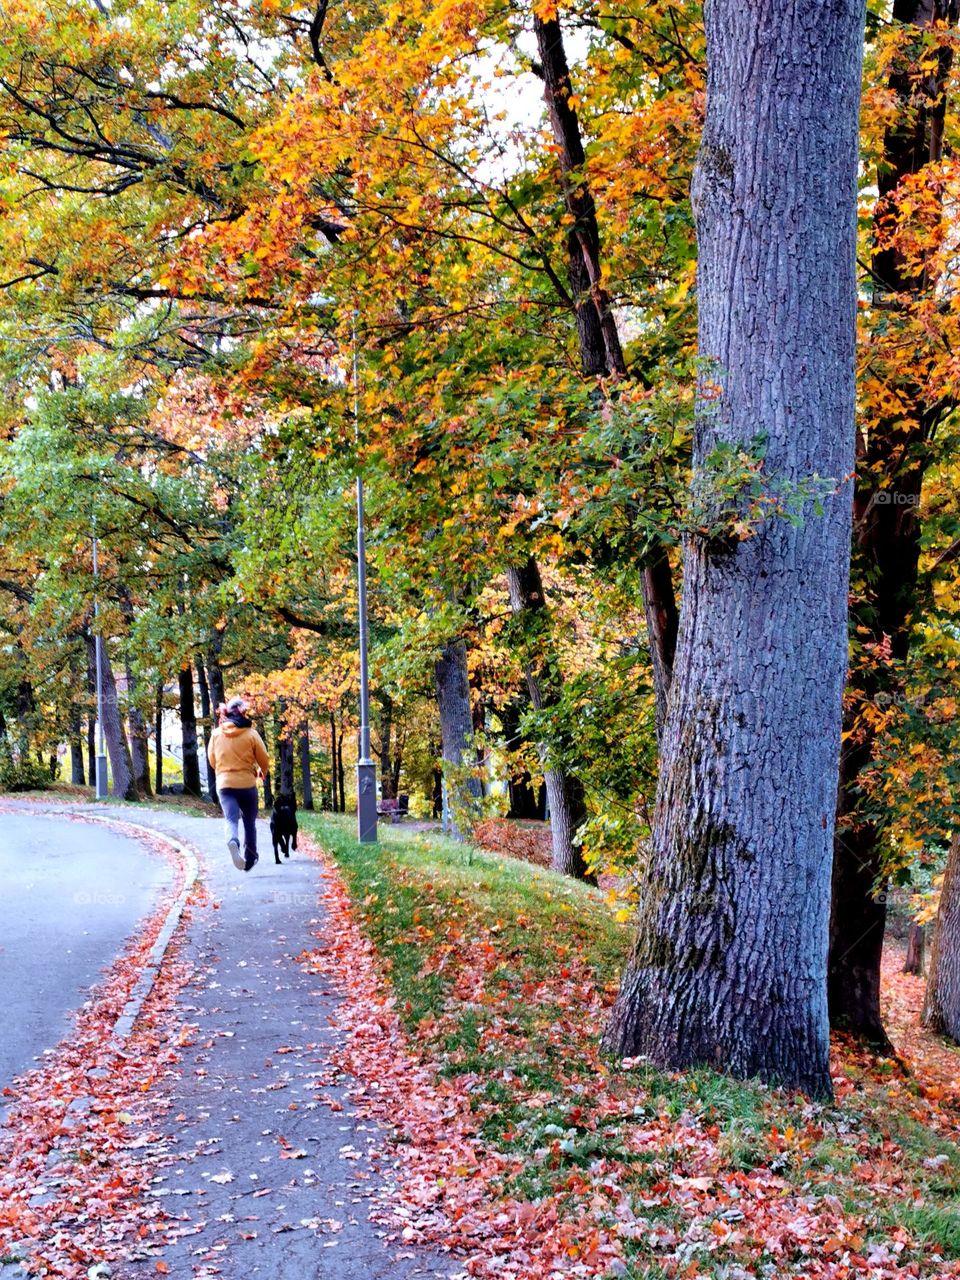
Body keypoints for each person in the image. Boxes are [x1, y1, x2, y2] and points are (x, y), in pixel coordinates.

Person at [207, 696, 270, 872]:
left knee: (231, 818)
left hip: (224, 784)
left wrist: (223, 771)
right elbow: (264, 758)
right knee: (249, 822)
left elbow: (212, 760)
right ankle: (250, 857)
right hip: (247, 784)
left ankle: (232, 840)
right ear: (243, 713)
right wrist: (262, 772)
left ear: (226, 713)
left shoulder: (216, 734)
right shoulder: (251, 734)